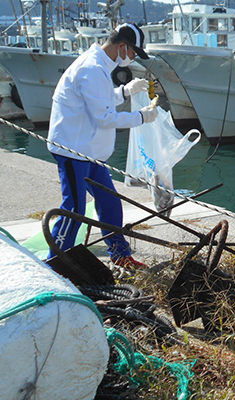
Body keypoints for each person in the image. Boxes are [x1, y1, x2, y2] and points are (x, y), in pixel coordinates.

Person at [46, 23, 159, 269]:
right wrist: (141, 117)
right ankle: (54, 261)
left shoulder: (98, 64)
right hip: (72, 149)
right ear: (122, 46)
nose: (131, 58)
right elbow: (104, 117)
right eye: (133, 53)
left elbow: (100, 100)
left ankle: (119, 255)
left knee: (109, 202)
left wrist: (125, 92)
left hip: (90, 152)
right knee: (74, 209)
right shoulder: (92, 68)